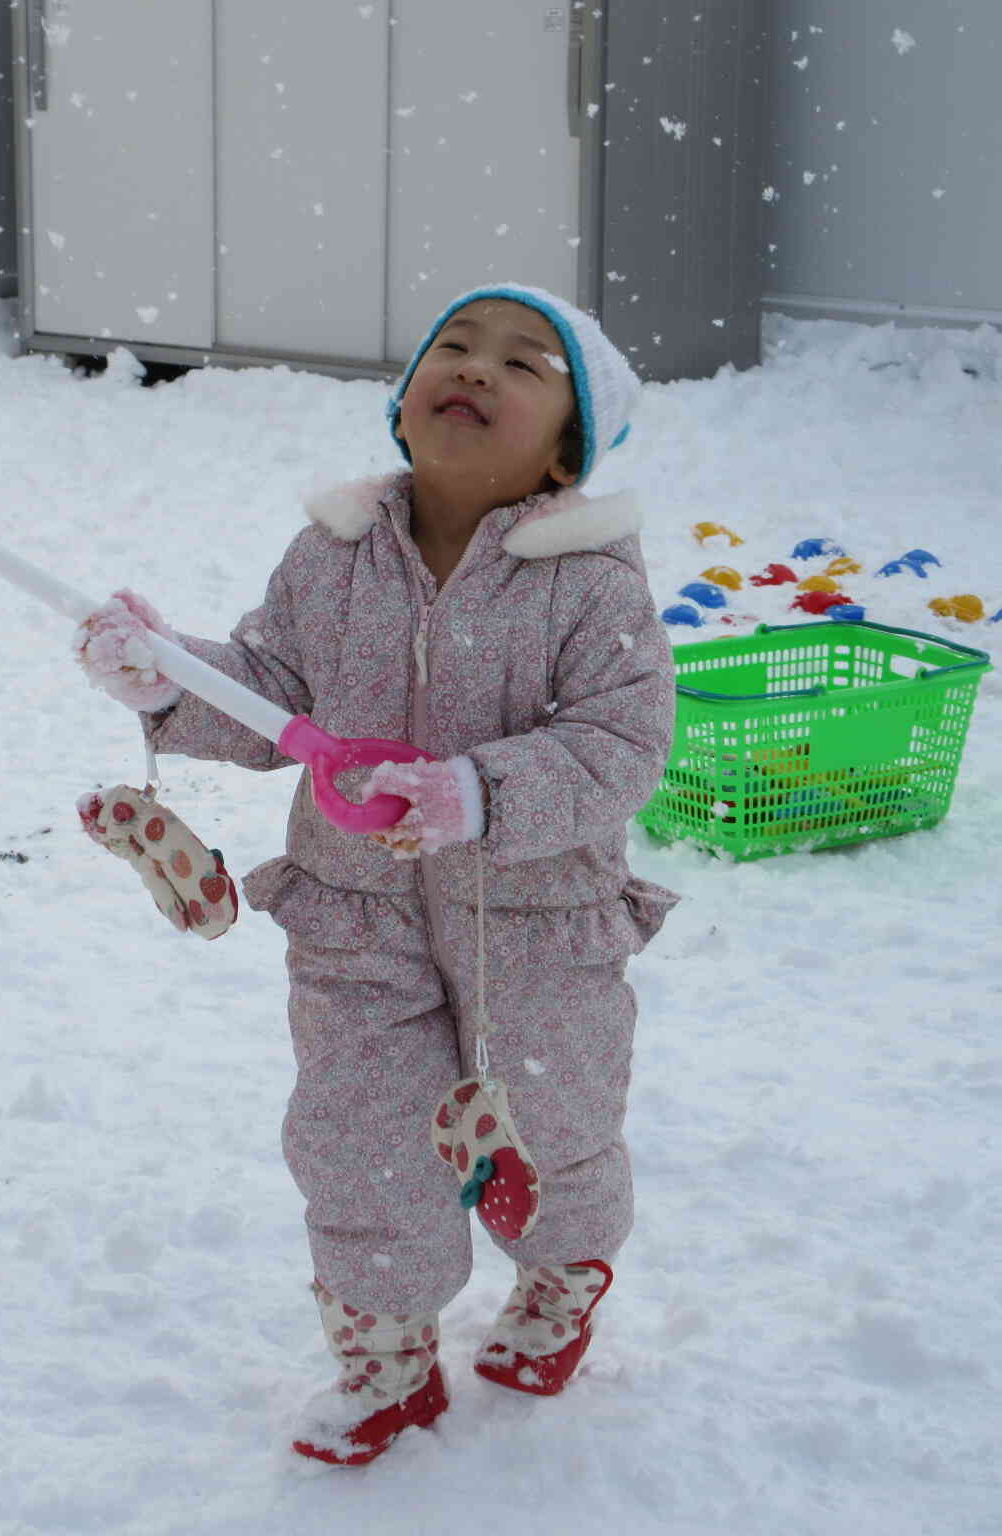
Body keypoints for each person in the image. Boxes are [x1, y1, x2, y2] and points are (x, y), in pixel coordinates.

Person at [73, 283, 677, 1465]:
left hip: (536, 925)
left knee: (551, 1133)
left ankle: (559, 1286)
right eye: (452, 348)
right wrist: (163, 675)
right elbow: (270, 696)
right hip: (357, 918)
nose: (476, 369)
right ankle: (386, 1361)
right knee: (357, 1137)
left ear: (566, 453)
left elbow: (620, 746)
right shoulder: (332, 554)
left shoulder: (591, 582)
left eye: (522, 364)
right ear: (403, 409)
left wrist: (479, 793)